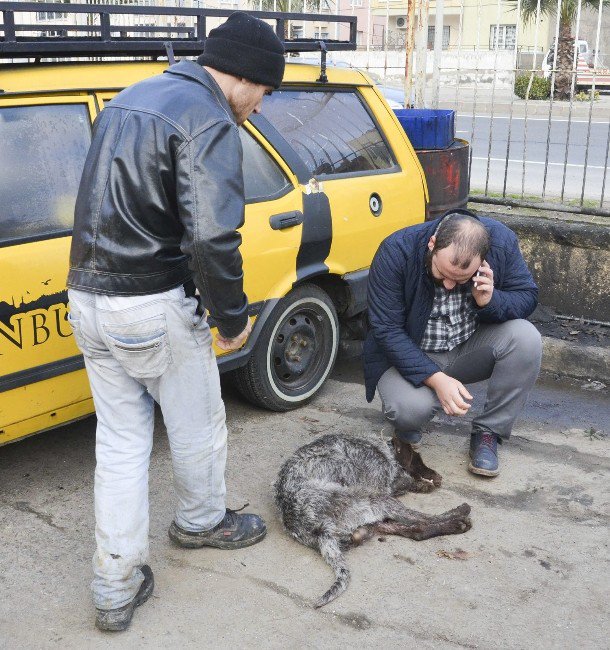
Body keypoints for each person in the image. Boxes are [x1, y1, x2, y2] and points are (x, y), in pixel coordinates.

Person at [66, 12, 285, 632]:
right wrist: (231, 318)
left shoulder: (131, 98)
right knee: (197, 425)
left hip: (87, 296)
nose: (262, 107)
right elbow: (214, 236)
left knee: (120, 444)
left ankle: (114, 586)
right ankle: (202, 523)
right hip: (152, 302)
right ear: (243, 76)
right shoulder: (208, 117)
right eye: (265, 91)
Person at [363, 210, 542, 479]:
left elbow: (527, 296)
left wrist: (490, 300)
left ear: (483, 260)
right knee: (409, 410)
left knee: (526, 338)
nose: (448, 285)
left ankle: (488, 433)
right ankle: (407, 426)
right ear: (432, 244)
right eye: (441, 274)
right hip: (411, 352)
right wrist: (436, 380)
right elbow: (386, 330)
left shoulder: (501, 242)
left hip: (466, 346)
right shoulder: (396, 250)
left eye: (460, 280)